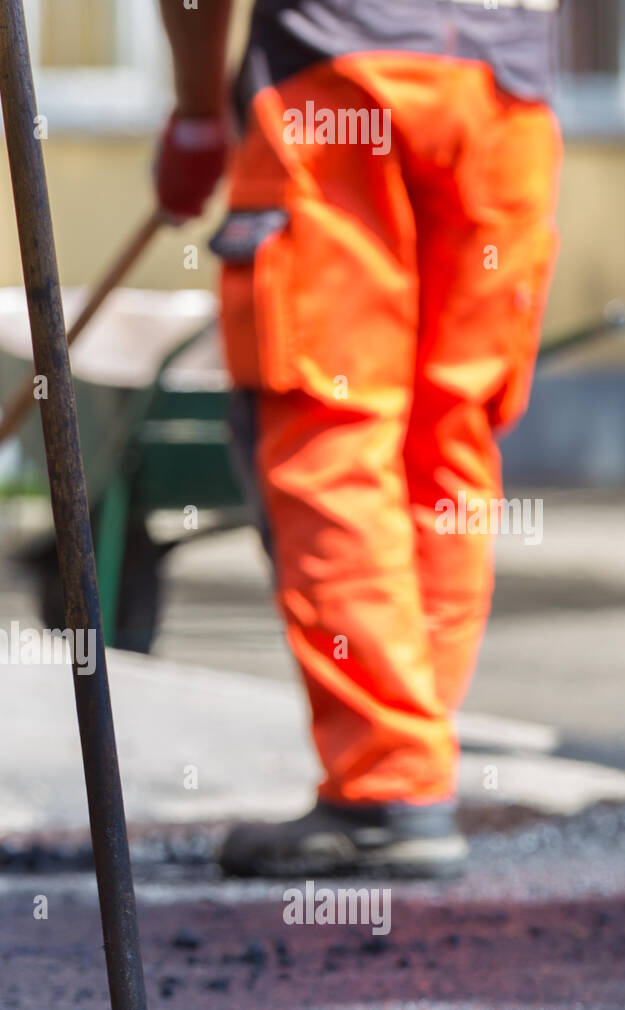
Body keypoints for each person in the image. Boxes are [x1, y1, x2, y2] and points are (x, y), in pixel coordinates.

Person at [156, 0, 562, 879]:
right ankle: (410, 763)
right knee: (448, 438)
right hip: (507, 101)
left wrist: (195, 113)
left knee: (334, 436)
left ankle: (390, 784)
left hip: (340, 79)